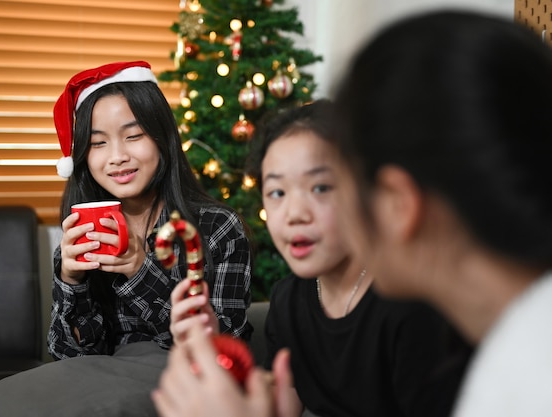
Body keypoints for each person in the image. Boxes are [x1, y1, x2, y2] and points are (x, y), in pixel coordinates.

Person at [152, 10, 552, 417]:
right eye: (276, 191)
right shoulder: (513, 344)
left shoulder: (508, 368)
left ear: (400, 199)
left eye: (330, 184)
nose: (295, 212)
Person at [255, 100, 469, 417]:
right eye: (277, 193)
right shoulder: (287, 300)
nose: (294, 214)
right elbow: (283, 398)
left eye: (321, 187)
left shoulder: (410, 305)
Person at [48, 61, 252, 359]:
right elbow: (67, 358)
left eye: (133, 136)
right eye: (98, 143)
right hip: (106, 390)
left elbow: (224, 348)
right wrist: (70, 281)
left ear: (162, 139)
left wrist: (140, 270)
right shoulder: (84, 233)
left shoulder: (218, 228)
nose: (117, 157)